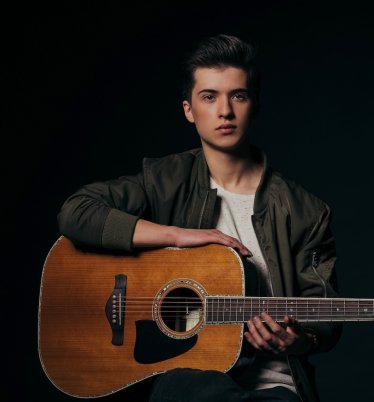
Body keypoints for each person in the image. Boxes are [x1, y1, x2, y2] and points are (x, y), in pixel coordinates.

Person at [57, 34, 342, 402]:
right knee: (184, 386)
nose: (225, 111)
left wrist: (298, 339)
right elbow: (76, 212)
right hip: (187, 382)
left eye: (238, 96)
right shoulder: (164, 181)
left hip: (273, 388)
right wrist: (176, 235)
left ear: (254, 104)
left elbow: (325, 315)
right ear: (188, 109)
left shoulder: (306, 211)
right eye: (209, 97)